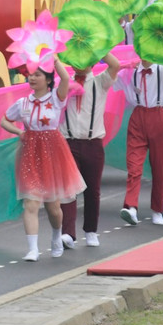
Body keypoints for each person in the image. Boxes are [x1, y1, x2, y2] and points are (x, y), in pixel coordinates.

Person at [0, 58, 85, 262]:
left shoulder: (56, 98)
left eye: (37, 75)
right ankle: (32, 249)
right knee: (31, 202)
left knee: (53, 207)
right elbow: (4, 120)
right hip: (30, 152)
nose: (32, 78)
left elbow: (65, 77)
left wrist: (53, 60)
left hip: (52, 153)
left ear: (48, 80)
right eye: (30, 74)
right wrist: (18, 132)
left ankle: (56, 236)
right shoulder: (23, 103)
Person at [59, 51, 121, 249]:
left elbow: (115, 65)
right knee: (68, 189)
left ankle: (91, 231)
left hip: (92, 143)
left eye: (83, 58)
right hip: (68, 141)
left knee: (92, 190)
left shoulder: (100, 82)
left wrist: (96, 48)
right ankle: (67, 233)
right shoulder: (64, 82)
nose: (79, 62)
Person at [116, 58, 163, 226]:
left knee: (159, 166)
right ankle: (131, 207)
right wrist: (122, 64)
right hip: (138, 117)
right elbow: (109, 76)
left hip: (158, 116)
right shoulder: (129, 71)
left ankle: (158, 209)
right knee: (133, 165)